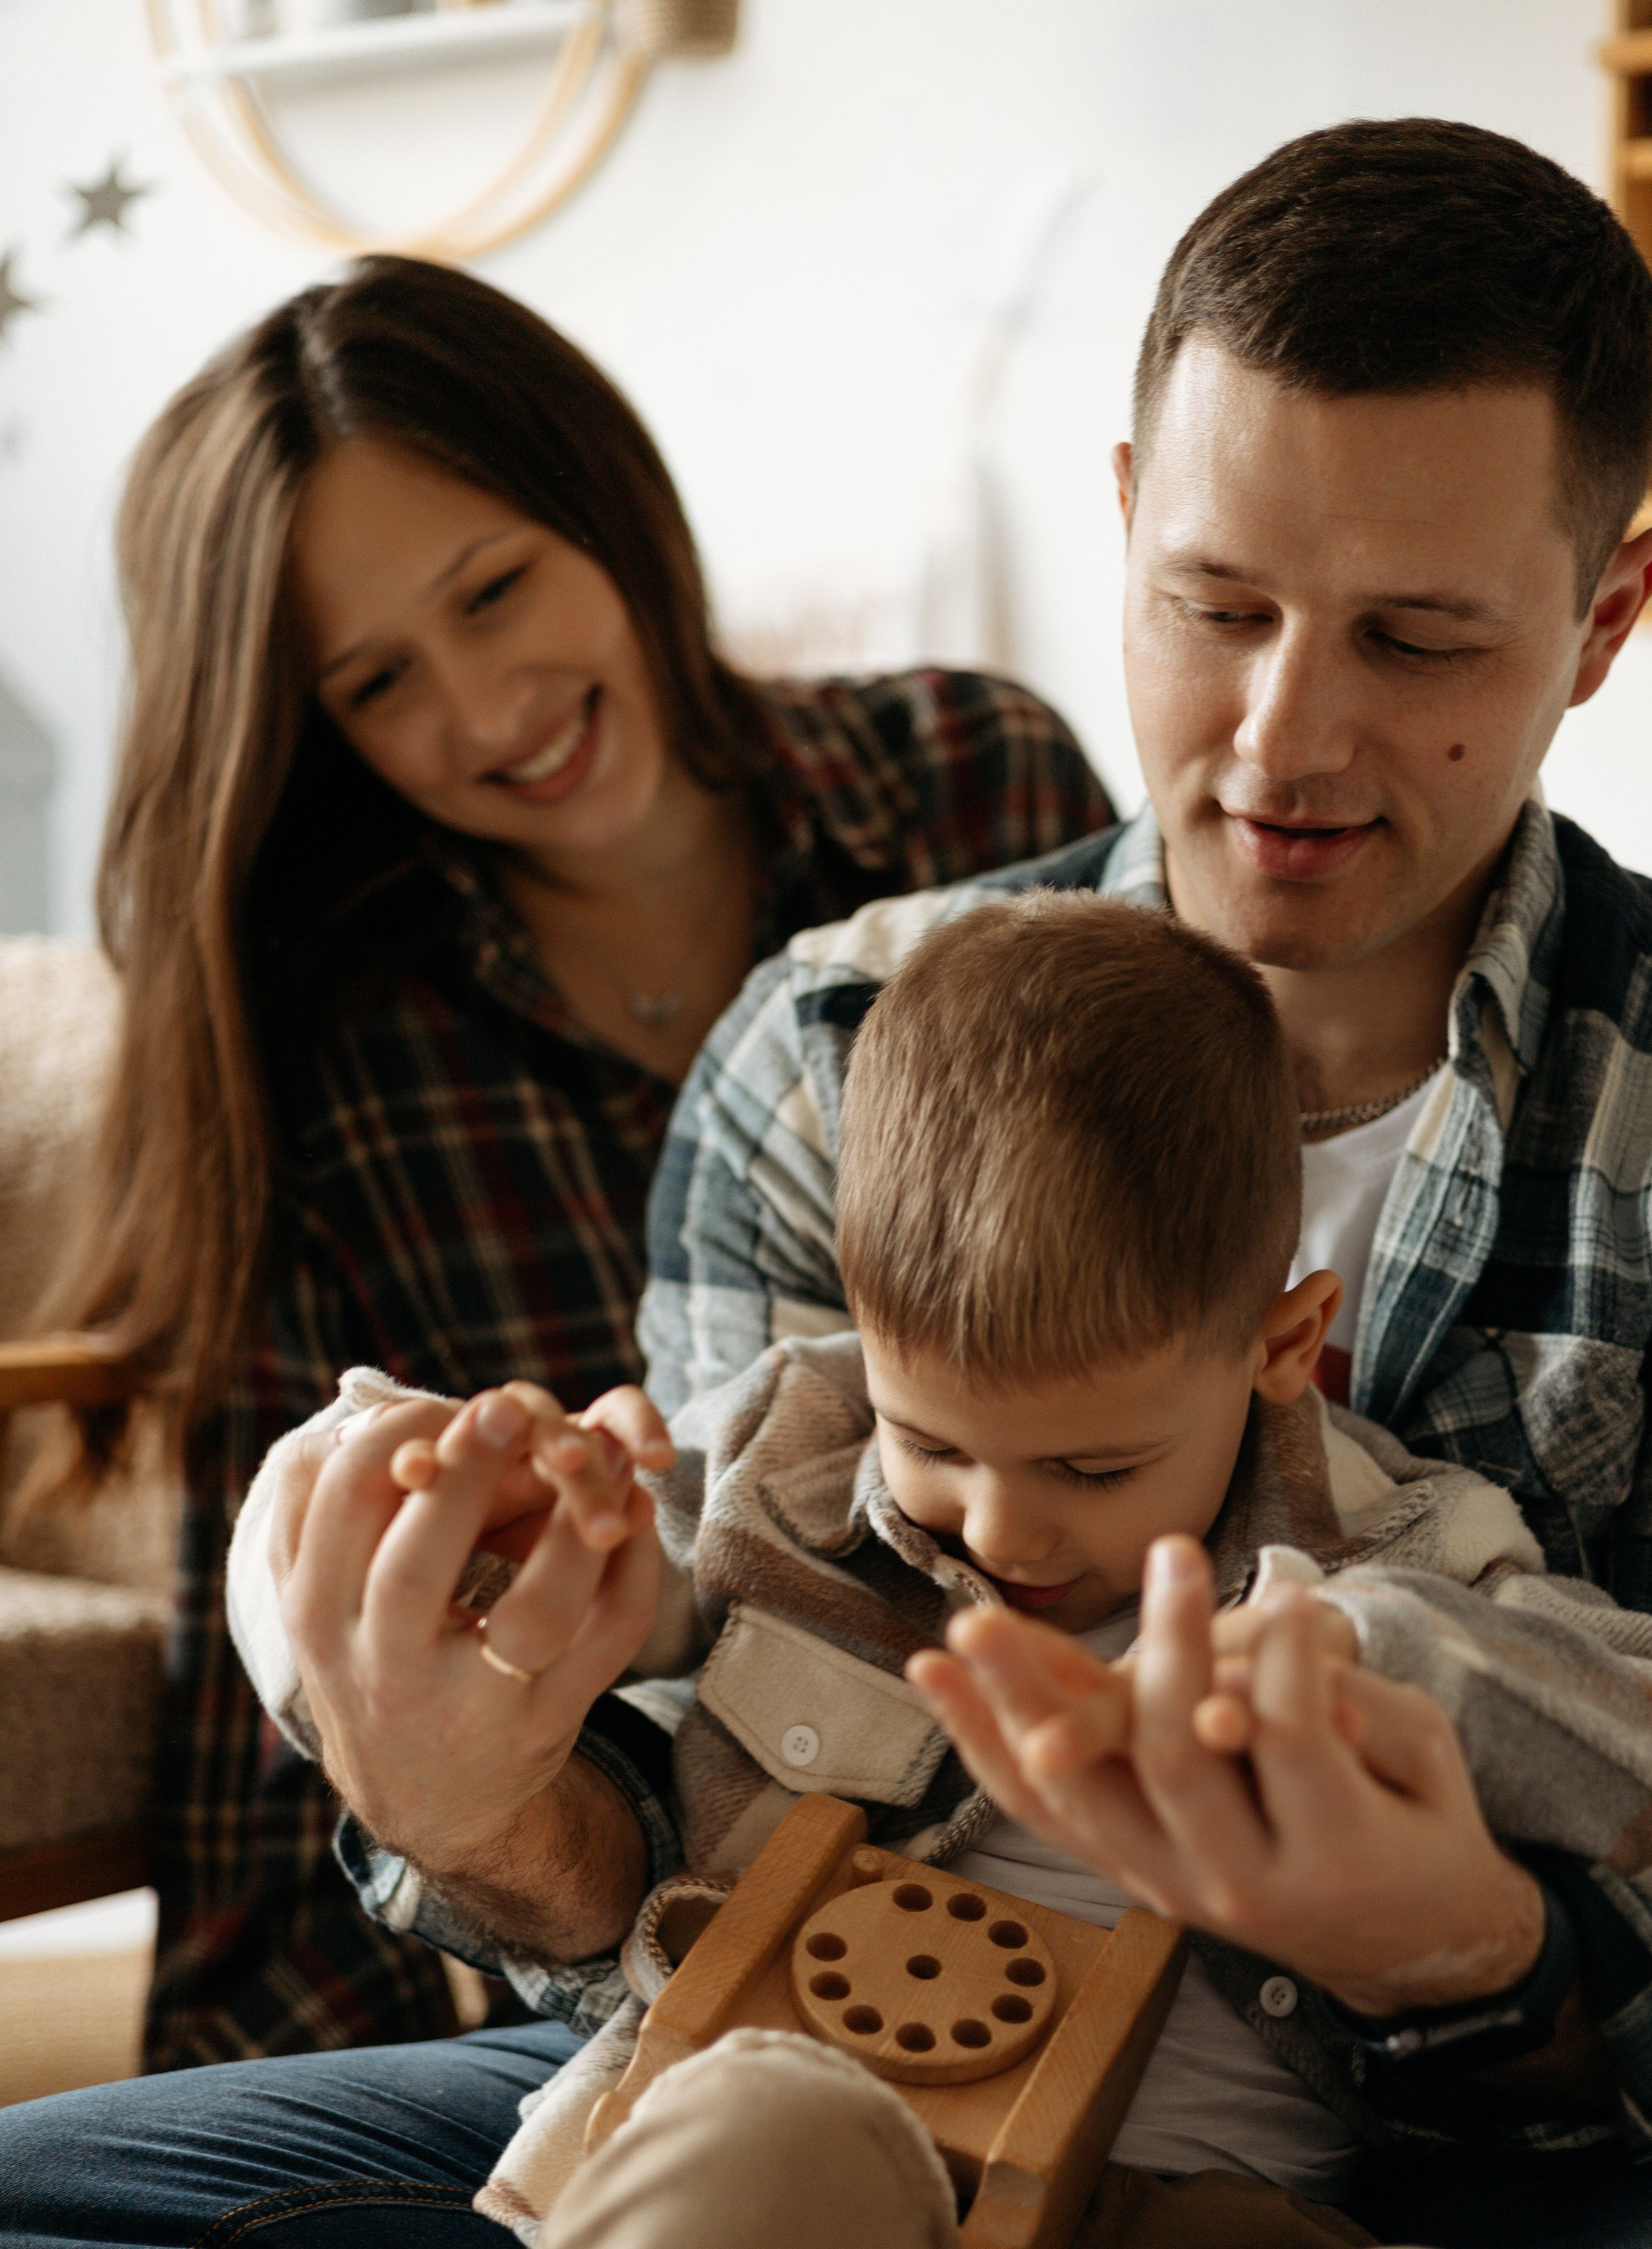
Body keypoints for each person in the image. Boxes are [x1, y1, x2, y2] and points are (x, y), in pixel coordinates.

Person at [3, 118, 1652, 2249]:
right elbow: (664, 1846)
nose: (1285, 733)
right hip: (838, 2102)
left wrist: (1468, 1952)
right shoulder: (844, 1043)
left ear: (1606, 617)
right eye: (1217, 603)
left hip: (1476, 2159)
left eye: (1418, 635)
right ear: (1119, 521)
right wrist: (486, 1802)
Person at [255, 890, 1652, 2249]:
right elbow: (478, 1581)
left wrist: (1346, 1663)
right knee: (754, 2118)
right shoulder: (787, 1466)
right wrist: (474, 1517)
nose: (1002, 1527)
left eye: (1095, 1467)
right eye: (938, 1442)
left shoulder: (1396, 1558)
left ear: (1285, 1346)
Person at [42, 252, 1114, 2071]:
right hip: (604, 1914)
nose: (486, 712)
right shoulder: (328, 1039)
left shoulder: (973, 786)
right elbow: (296, 1649)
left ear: (599, 504)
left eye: (496, 587)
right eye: (381, 680)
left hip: (1078, 1822)